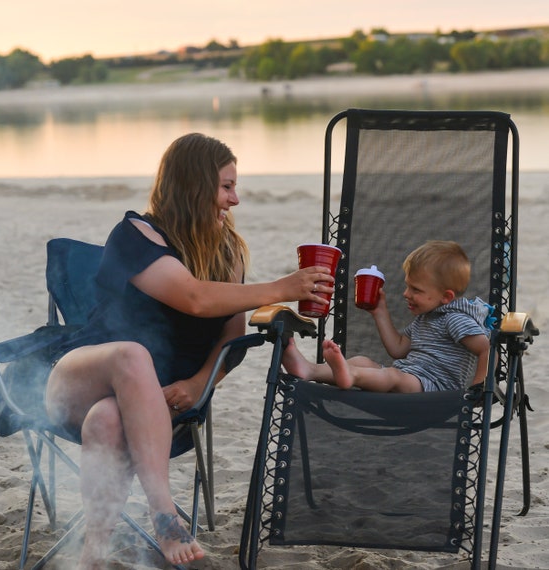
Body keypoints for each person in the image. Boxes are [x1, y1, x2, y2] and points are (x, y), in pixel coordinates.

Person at [44, 133, 334, 569]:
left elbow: (231, 339)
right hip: (79, 378)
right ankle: (165, 514)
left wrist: (201, 383)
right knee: (132, 356)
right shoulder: (134, 235)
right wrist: (282, 287)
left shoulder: (228, 251)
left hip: (152, 406)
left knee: (107, 418)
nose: (235, 199)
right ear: (194, 186)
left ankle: (93, 555)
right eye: (226, 186)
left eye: (235, 186)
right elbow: (194, 298)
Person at [282, 240, 493, 393]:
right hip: (410, 376)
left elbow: (486, 349)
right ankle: (310, 370)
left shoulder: (456, 319)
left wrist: (478, 387)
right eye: (407, 286)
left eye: (416, 290)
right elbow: (398, 349)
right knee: (363, 361)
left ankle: (350, 375)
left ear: (446, 296)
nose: (406, 294)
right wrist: (379, 312)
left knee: (392, 377)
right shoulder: (426, 318)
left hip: (435, 388)